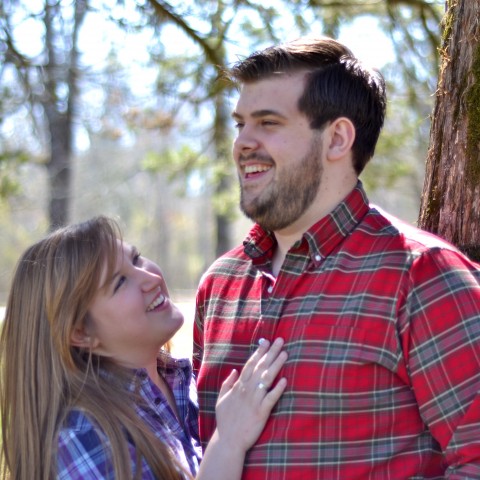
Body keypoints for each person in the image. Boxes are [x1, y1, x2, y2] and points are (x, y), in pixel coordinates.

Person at [193, 36, 480, 478]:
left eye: (268, 123)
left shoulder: (421, 276)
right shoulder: (220, 286)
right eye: (240, 125)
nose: (243, 143)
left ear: (337, 138)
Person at [0, 216, 288, 480]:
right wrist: (228, 442)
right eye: (120, 282)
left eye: (136, 258)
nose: (151, 278)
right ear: (81, 333)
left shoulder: (183, 385)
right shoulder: (81, 437)